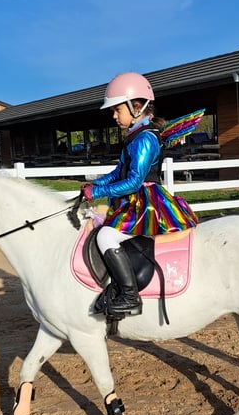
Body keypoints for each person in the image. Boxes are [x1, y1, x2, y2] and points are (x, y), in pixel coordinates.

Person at [81, 72, 198, 318]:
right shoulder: (134, 137)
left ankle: (129, 296)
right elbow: (117, 172)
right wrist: (92, 186)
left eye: (117, 110)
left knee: (106, 238)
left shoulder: (145, 139)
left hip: (144, 201)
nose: (114, 116)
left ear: (137, 106)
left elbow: (134, 181)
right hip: (134, 198)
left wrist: (99, 191)